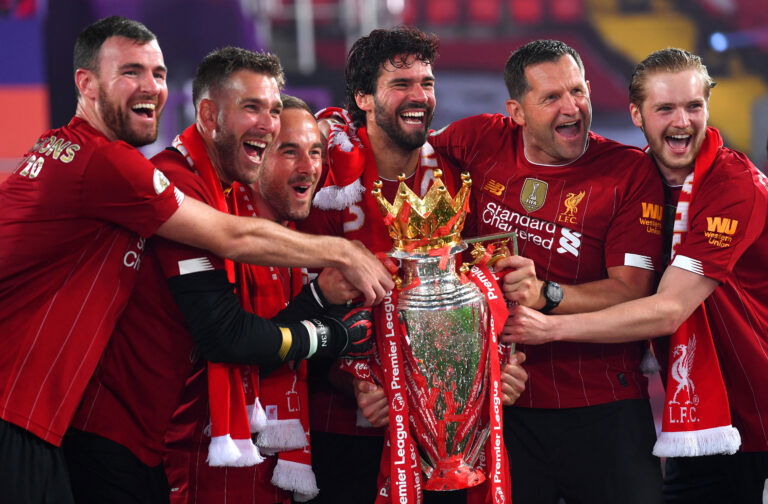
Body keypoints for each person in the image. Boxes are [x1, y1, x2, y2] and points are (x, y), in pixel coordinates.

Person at [0, 17, 390, 504]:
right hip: (43, 416)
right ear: (86, 83)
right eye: (131, 72)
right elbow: (232, 260)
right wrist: (342, 255)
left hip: (77, 424)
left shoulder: (74, 152)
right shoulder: (118, 166)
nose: (151, 87)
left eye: (159, 73)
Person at [504, 48, 768, 504]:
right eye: (665, 108)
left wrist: (551, 325)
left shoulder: (732, 185)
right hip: (699, 412)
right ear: (637, 114)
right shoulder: (635, 180)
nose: (682, 121)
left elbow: (668, 309)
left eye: (694, 106)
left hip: (757, 409)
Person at [428, 39, 666, 504]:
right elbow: (406, 163)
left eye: (578, 91)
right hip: (503, 404)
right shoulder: (477, 139)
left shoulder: (630, 173)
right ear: (516, 111)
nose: (571, 107)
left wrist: (548, 296)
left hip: (603, 405)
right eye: (551, 97)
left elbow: (633, 290)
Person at [300, 26, 528, 503]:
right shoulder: (323, 178)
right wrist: (349, 381)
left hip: (445, 437)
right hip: (345, 427)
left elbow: (479, 293)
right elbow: (295, 301)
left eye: (426, 83)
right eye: (400, 84)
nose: (419, 96)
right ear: (363, 96)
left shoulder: (455, 173)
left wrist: (497, 368)